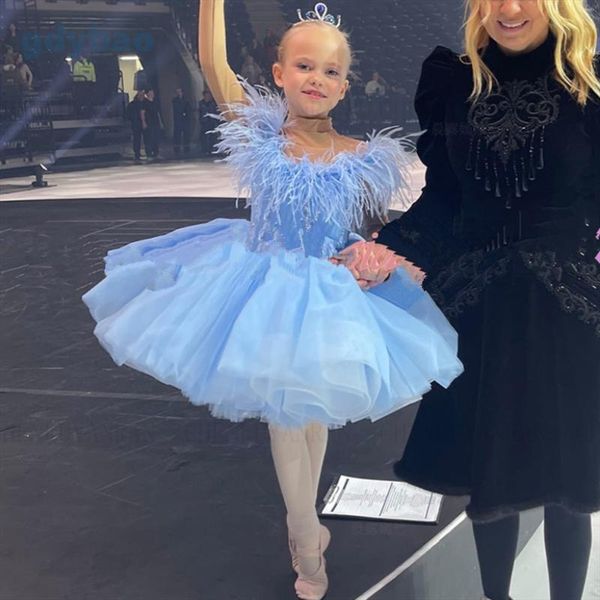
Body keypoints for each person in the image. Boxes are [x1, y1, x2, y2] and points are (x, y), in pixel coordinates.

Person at [82, 2, 463, 599]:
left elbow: (360, 230)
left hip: (328, 294)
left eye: (331, 71)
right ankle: (304, 532)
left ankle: (305, 522)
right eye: (305, 65)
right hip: (262, 286)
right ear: (279, 72)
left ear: (346, 83)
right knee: (288, 417)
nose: (318, 79)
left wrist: (369, 260)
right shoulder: (261, 133)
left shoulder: (362, 156)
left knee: (312, 411)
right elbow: (211, 60)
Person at [377, 1, 600, 599]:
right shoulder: (456, 84)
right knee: (490, 479)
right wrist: (387, 247)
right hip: (480, 314)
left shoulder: (589, 86)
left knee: (570, 485)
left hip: (571, 315)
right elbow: (445, 202)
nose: (508, 7)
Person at [126, 90, 147, 161]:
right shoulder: (133, 105)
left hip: (138, 123)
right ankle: (137, 153)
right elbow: (128, 114)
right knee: (137, 139)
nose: (142, 97)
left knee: (143, 138)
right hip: (136, 123)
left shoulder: (144, 103)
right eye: (140, 95)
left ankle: (140, 152)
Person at [197, 89, 218, 155]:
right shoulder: (201, 103)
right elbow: (200, 112)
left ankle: (211, 149)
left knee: (212, 136)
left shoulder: (213, 103)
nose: (208, 96)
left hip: (211, 121)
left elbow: (215, 111)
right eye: (206, 95)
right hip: (204, 122)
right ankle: (204, 149)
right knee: (204, 136)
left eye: (209, 95)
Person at [141, 89, 161, 159]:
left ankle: (156, 152)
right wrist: (143, 122)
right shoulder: (145, 102)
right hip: (149, 122)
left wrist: (161, 122)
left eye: (153, 92)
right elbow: (142, 112)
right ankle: (149, 153)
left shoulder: (156, 101)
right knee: (149, 137)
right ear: (148, 94)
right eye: (151, 92)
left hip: (156, 121)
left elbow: (158, 112)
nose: (152, 93)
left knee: (156, 137)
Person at [171, 87, 190, 155]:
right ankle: (177, 148)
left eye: (180, 92)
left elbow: (188, 109)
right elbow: (176, 109)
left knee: (186, 134)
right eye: (177, 92)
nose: (178, 93)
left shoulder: (186, 100)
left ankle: (186, 148)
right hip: (178, 119)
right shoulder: (175, 100)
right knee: (177, 134)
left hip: (185, 119)